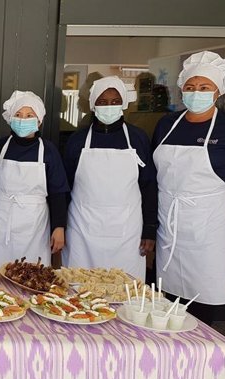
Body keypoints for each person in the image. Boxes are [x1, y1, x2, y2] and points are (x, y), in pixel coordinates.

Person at [152, 51, 225, 324]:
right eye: (191, 87)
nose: (197, 92)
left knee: (203, 290)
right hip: (170, 217)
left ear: (217, 91)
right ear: (182, 89)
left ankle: (202, 349)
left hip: (209, 221)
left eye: (204, 87)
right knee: (167, 291)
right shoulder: (166, 124)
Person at [63, 76, 157, 280]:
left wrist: (149, 229)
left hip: (127, 232)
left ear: (123, 103)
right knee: (78, 288)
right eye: (102, 102)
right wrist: (59, 226)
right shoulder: (78, 140)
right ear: (93, 105)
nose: (109, 106)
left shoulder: (138, 138)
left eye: (115, 102)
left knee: (123, 290)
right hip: (81, 229)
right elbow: (64, 187)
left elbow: (149, 185)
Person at [0, 91, 69, 268]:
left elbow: (58, 192)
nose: (23, 120)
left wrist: (59, 227)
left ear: (39, 120)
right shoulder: (0, 146)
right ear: (11, 119)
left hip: (34, 224)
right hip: (0, 219)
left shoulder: (49, 151)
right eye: (18, 115)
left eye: (29, 115)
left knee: (31, 274)